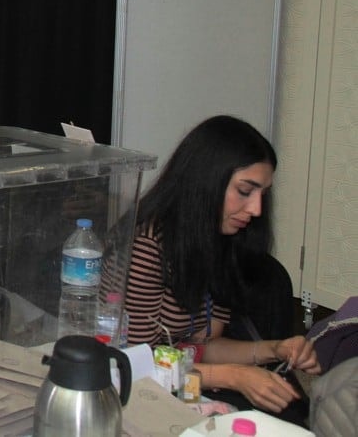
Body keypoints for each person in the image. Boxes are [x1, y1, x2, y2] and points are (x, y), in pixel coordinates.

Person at [124, 115, 321, 423]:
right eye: (245, 191)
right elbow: (138, 364)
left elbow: (204, 345)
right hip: (139, 393)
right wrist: (235, 377)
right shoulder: (147, 243)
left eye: (262, 194)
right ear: (206, 181)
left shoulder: (220, 239)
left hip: (186, 385)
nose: (256, 209)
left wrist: (276, 349)